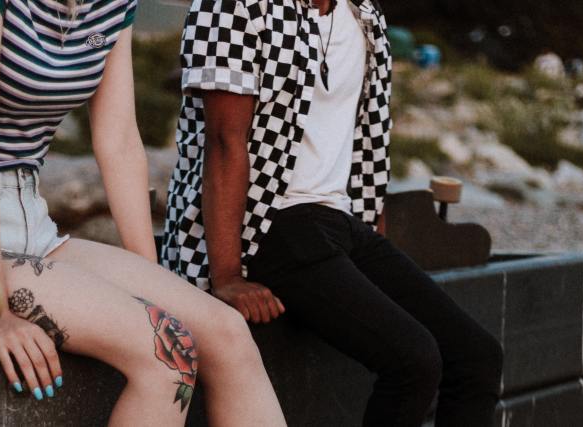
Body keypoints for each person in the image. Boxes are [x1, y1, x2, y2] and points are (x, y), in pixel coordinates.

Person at [0, 0, 285, 424]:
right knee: (167, 352)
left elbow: (119, 140)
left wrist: (149, 279)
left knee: (227, 334)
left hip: (30, 222)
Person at [160, 0, 504, 426]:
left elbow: (368, 141)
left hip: (339, 221)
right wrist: (227, 276)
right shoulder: (235, 6)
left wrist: (376, 251)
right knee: (414, 360)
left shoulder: (364, 15)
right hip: (266, 223)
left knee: (476, 357)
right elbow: (225, 141)